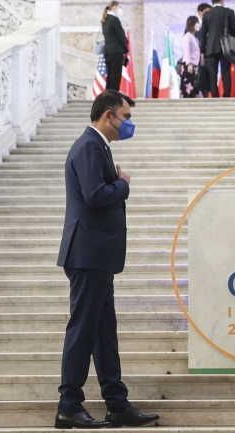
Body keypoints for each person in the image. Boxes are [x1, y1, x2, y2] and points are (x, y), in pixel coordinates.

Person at [55, 90, 160, 429]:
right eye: (126, 117)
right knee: (83, 331)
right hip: (88, 254)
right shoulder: (88, 146)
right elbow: (94, 195)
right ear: (108, 115)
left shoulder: (97, 146)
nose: (129, 123)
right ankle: (69, 406)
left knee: (104, 333)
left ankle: (117, 404)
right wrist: (123, 184)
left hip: (97, 255)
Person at [199, 0, 235, 98]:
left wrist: (202, 51)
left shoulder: (207, 14)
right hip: (226, 47)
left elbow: (203, 35)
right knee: (226, 71)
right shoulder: (229, 12)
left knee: (212, 73)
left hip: (211, 47)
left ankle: (214, 94)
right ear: (222, 1)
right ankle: (226, 95)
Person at [101, 1, 128, 91]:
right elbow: (121, 36)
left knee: (110, 76)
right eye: (119, 7)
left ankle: (108, 96)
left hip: (108, 52)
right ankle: (114, 98)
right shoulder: (114, 19)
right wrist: (126, 49)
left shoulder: (105, 20)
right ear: (114, 7)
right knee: (116, 76)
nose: (120, 9)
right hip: (116, 52)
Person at [182, 16, 202, 98]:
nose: (198, 25)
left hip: (195, 65)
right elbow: (187, 51)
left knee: (195, 86)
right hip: (189, 65)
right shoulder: (187, 36)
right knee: (189, 87)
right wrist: (189, 64)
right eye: (197, 23)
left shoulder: (194, 37)